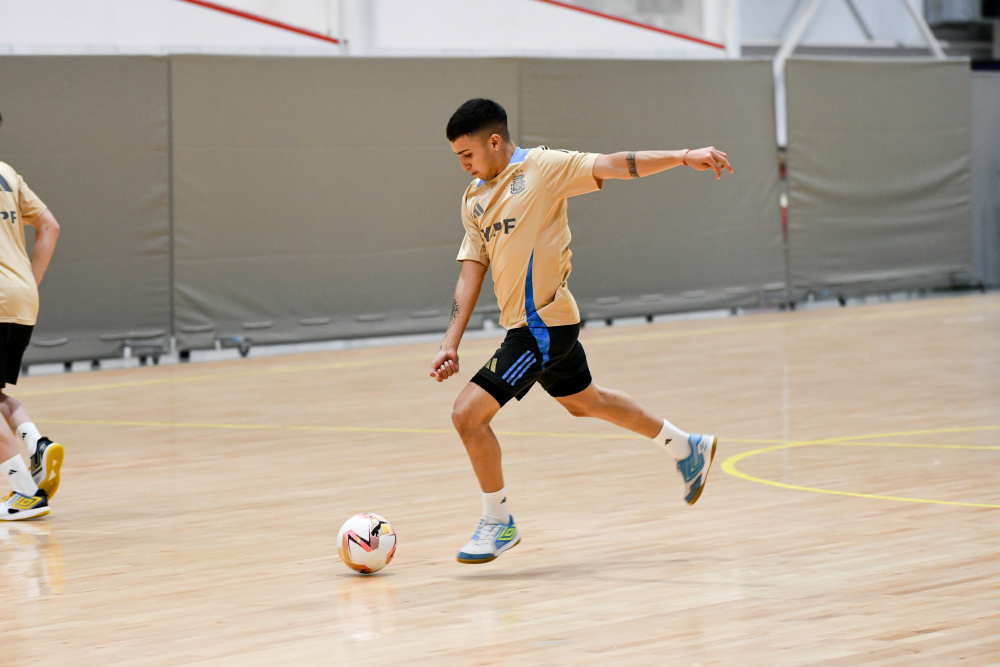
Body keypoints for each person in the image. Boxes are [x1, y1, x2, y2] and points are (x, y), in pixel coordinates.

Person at [430, 98, 732, 564]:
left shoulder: (544, 169)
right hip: (538, 327)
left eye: (467, 154)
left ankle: (499, 520)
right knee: (587, 403)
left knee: (467, 416)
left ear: (494, 141)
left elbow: (615, 164)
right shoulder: (474, 198)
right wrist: (450, 343)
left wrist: (683, 155)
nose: (463, 165)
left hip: (542, 326)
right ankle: (685, 446)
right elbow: (471, 271)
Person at [0, 110, 65, 521]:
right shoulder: (6, 172)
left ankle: (24, 492)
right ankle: (36, 444)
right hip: (21, 298)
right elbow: (50, 226)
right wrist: (28, 283)